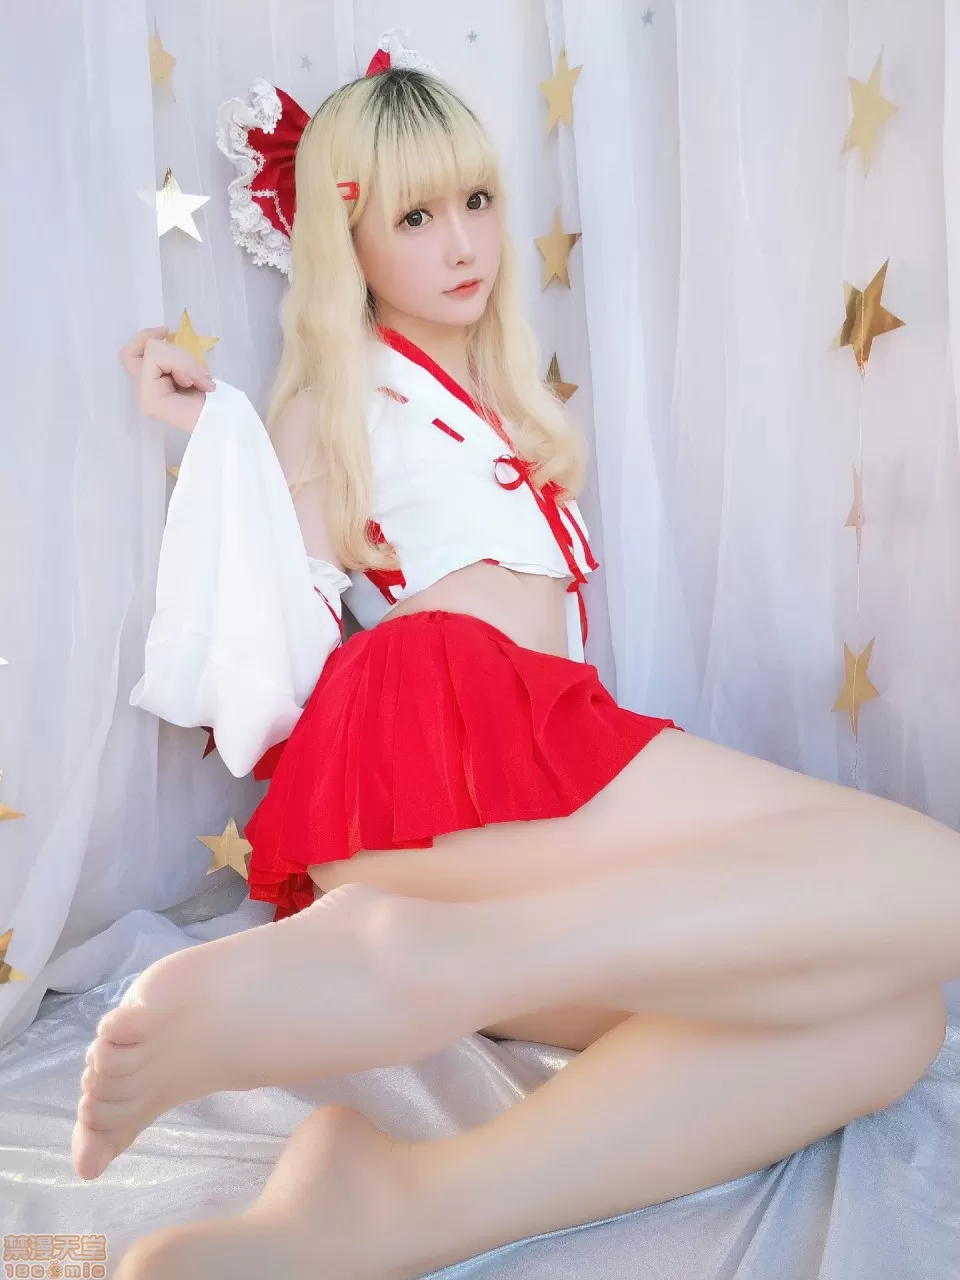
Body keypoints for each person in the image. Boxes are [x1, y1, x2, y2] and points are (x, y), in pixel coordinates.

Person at [75, 46, 957, 1280]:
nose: (462, 244)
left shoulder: (488, 399)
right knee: (935, 880)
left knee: (886, 1017)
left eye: (477, 201)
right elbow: (274, 626)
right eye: (415, 217)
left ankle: (403, 1203)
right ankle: (446, 956)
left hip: (508, 787)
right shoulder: (340, 398)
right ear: (345, 242)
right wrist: (211, 425)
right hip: (443, 741)